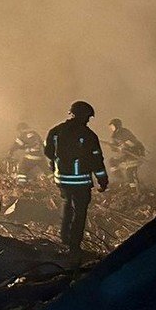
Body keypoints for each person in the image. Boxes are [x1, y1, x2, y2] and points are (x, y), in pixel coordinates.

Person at [44, 101, 108, 261]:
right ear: (81, 116)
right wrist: (102, 179)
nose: (88, 121)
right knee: (80, 213)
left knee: (67, 205)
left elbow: (48, 152)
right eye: (87, 117)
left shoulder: (55, 131)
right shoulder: (89, 135)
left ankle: (64, 238)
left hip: (62, 180)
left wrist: (57, 165)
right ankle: (74, 248)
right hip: (80, 182)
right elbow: (96, 159)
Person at [106, 118, 146, 188]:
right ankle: (121, 179)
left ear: (116, 125)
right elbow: (114, 148)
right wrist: (113, 146)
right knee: (113, 162)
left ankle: (134, 189)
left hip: (134, 155)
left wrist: (124, 146)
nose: (110, 128)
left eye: (112, 126)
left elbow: (134, 143)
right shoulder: (115, 135)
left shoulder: (124, 132)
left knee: (129, 172)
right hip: (126, 155)